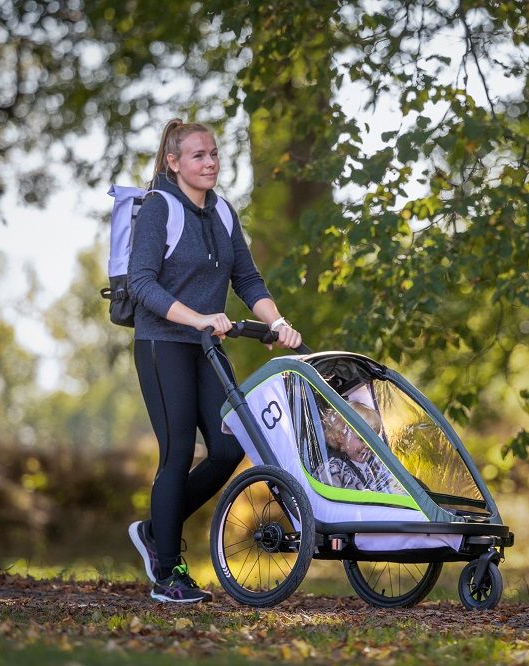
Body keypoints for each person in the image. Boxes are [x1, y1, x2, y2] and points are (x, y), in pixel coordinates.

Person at [126, 119, 302, 603]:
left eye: (214, 154)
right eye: (198, 156)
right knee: (178, 452)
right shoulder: (159, 208)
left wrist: (277, 323)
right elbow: (142, 284)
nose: (210, 163)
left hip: (206, 345)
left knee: (227, 449)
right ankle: (168, 571)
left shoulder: (223, 212)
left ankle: (154, 530)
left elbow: (247, 279)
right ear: (174, 162)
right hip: (163, 344)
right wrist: (199, 317)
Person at [316, 402, 403, 494]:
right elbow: (328, 503)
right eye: (362, 439)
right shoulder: (333, 468)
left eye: (372, 440)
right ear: (341, 436)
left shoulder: (373, 464)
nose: (368, 445)